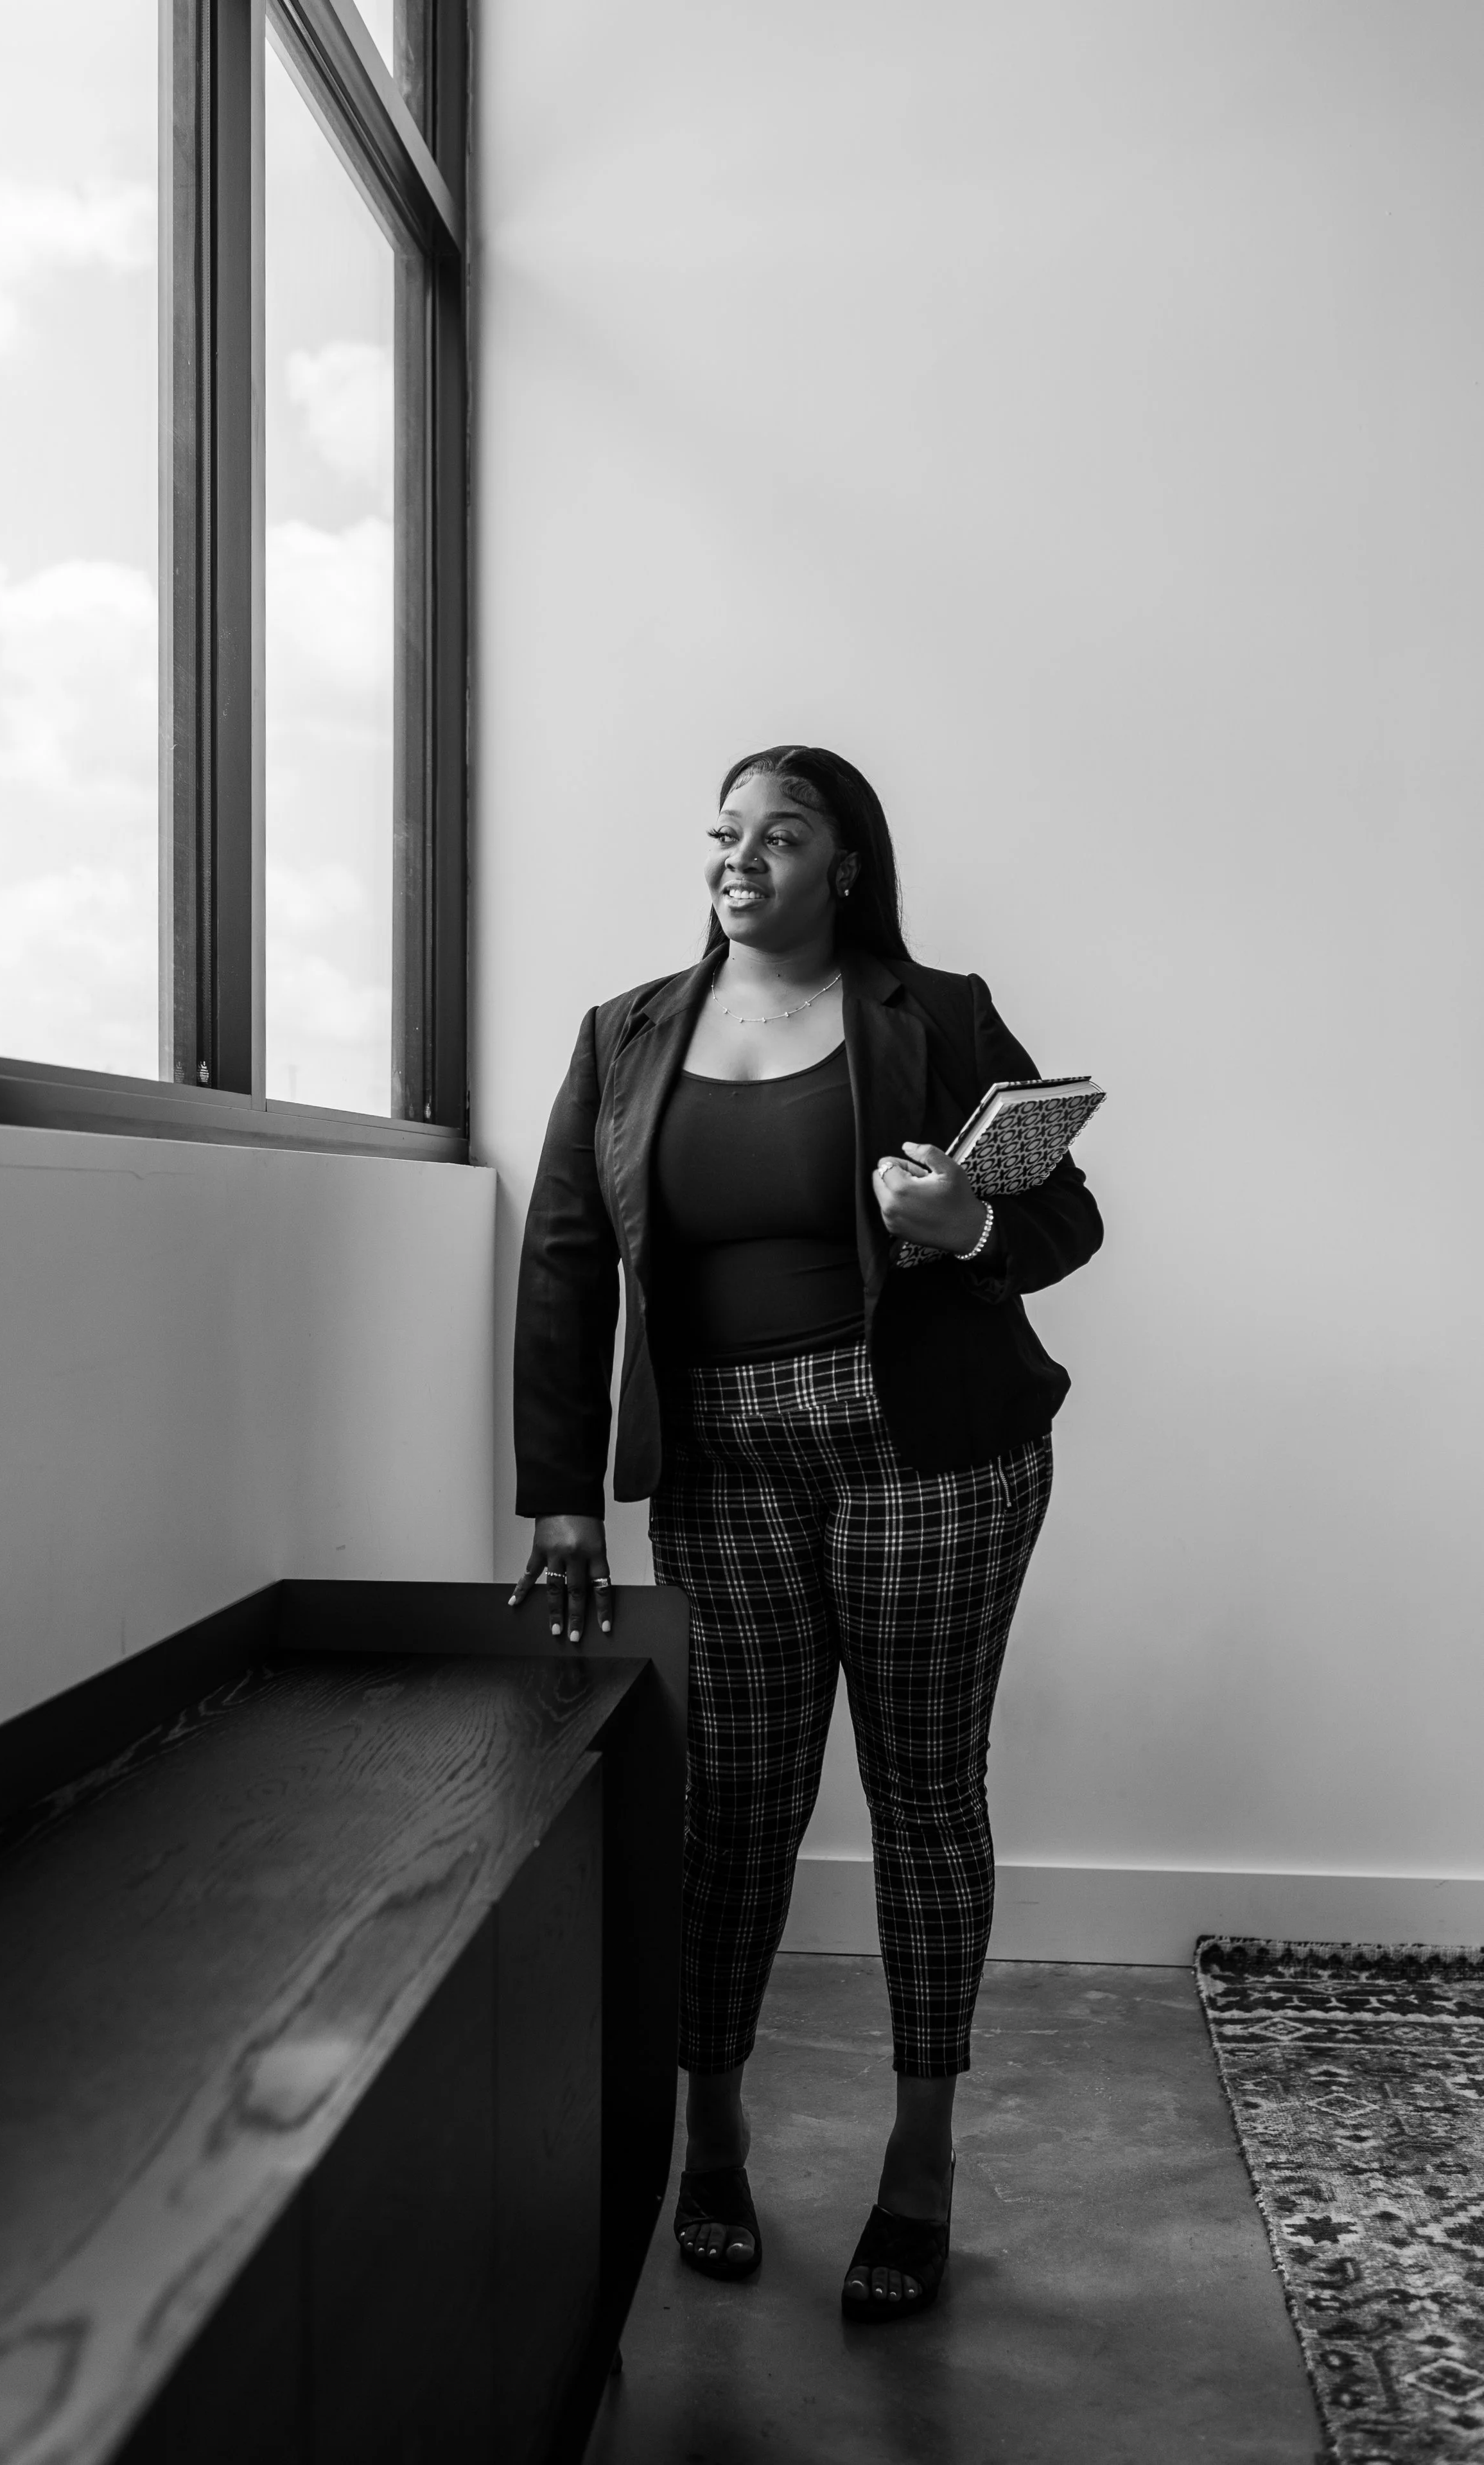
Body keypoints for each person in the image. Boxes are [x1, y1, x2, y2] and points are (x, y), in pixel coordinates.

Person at [509, 745, 1103, 2322]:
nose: (741, 857)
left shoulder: (938, 1012)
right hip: (721, 1464)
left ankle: (919, 2166)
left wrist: (964, 1221)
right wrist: (564, 1491)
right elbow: (566, 1260)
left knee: (920, 1795)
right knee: (734, 1808)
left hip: (931, 1451)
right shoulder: (626, 1033)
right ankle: (711, 2137)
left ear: (844, 863)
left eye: (780, 834)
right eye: (724, 832)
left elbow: (1068, 1214)